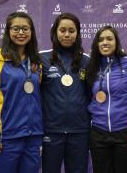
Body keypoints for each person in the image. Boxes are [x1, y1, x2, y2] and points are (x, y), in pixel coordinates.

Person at [0, 12, 42, 173]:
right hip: (6, 138)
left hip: (32, 136)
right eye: (16, 28)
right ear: (8, 31)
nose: (21, 33)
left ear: (31, 32)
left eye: (25, 29)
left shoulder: (36, 62)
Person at [40, 13, 90, 173]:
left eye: (71, 30)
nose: (67, 34)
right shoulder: (41, 59)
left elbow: (91, 95)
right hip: (51, 131)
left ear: (78, 34)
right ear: (55, 32)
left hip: (79, 132)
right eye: (62, 30)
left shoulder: (87, 61)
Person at [87, 26, 127, 173]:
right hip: (99, 133)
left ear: (116, 42)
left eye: (109, 39)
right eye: (101, 39)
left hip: (125, 132)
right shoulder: (91, 66)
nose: (105, 42)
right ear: (96, 44)